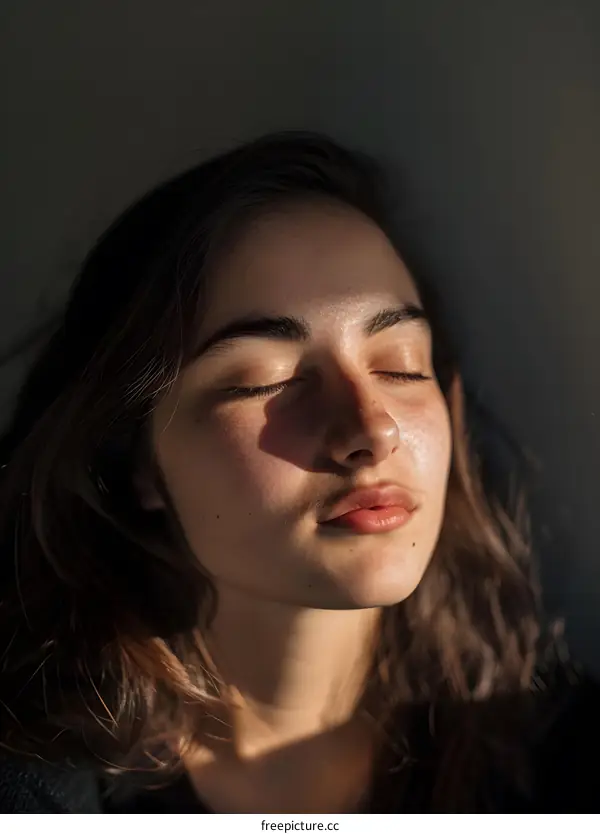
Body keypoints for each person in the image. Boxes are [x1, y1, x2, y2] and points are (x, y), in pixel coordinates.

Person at [0, 131, 597, 813]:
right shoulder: (37, 795)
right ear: (135, 461)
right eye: (265, 381)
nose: (370, 430)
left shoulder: (564, 767)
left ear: (451, 403)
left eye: (400, 364)